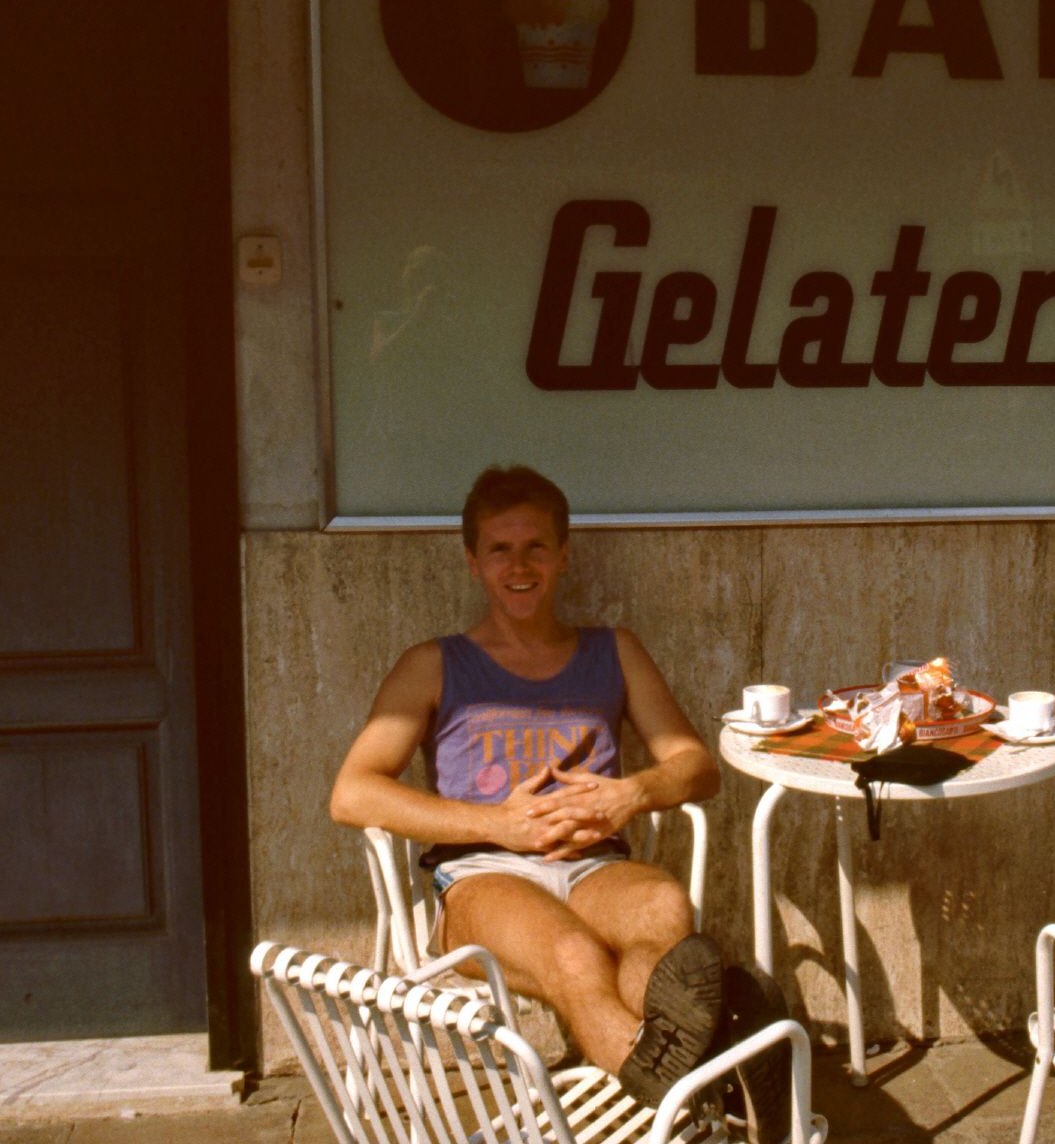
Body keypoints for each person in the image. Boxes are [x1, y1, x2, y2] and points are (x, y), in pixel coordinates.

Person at [330, 465, 787, 1127]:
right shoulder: (433, 664)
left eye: (536, 547)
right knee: (573, 955)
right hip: (483, 874)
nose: (519, 566)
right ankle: (702, 1102)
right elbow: (352, 793)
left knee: (663, 910)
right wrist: (498, 823)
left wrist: (630, 794)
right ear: (473, 561)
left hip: (595, 865)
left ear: (564, 555)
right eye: (500, 549)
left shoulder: (614, 650)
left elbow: (695, 766)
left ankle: (688, 1075)